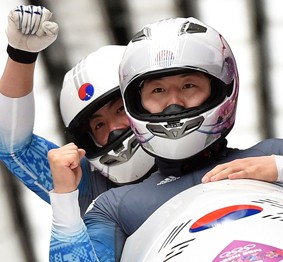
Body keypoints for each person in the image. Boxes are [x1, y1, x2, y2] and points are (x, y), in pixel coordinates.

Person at [48, 17, 283, 261]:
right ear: (136, 104)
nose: (173, 104)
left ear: (221, 87)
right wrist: (64, 199)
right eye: (158, 90)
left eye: (188, 85)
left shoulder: (274, 153)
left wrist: (278, 168)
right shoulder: (113, 208)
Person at [0, 4, 155, 217]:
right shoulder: (84, 181)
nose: (114, 129)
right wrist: (21, 55)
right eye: (99, 124)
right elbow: (12, 147)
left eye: (120, 110)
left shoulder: (205, 138)